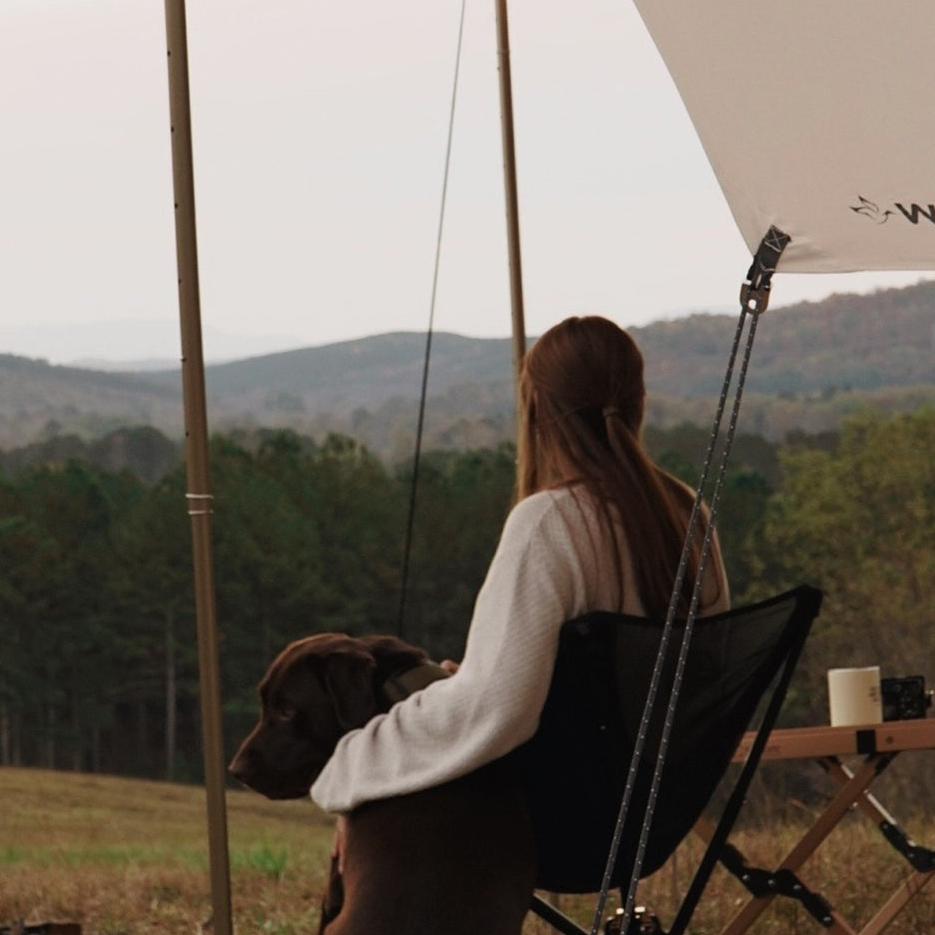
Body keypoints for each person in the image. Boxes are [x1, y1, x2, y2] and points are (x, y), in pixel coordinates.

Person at [310, 315, 730, 839]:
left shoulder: (549, 523)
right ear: (638, 400)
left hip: (564, 815)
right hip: (662, 805)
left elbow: (497, 712)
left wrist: (355, 758)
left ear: (537, 408)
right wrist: (486, 674)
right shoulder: (689, 512)